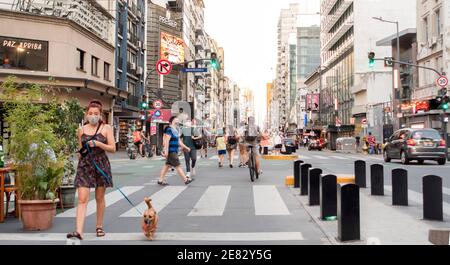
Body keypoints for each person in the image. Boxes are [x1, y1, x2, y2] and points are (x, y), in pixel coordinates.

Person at [67, 100, 116, 241]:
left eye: (96, 113)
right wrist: (80, 152)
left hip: (101, 165)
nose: (93, 115)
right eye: (90, 113)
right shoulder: (81, 130)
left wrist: (99, 143)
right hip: (85, 165)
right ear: (86, 114)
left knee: (99, 198)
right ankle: (79, 231)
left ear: (100, 115)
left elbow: (112, 148)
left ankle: (99, 226)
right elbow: (80, 149)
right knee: (82, 199)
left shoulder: (106, 128)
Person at [158, 117, 193, 186]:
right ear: (172, 121)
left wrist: (186, 147)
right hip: (171, 151)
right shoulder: (169, 129)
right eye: (176, 119)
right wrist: (166, 151)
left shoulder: (176, 130)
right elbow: (166, 141)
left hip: (174, 150)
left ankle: (160, 180)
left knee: (167, 166)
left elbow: (179, 141)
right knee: (178, 165)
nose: (178, 121)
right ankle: (186, 180)